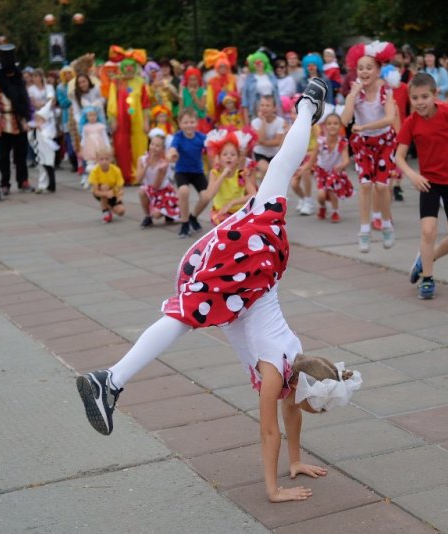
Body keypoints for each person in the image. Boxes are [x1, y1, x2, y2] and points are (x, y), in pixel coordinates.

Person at [76, 79, 363, 504]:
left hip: (255, 275)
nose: (311, 411)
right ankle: (109, 380)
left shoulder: (295, 369)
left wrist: (296, 460)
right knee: (185, 314)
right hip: (248, 281)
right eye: (316, 406)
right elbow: (270, 431)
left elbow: (290, 419)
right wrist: (274, 489)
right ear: (304, 390)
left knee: (279, 174)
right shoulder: (275, 375)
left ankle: (307, 106)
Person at [395, 73, 448, 299]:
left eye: (424, 97)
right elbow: (398, 156)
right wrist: (412, 175)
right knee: (428, 231)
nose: (420, 102)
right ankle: (428, 279)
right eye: (415, 98)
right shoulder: (411, 123)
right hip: (428, 183)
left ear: (435, 95)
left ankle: (425, 259)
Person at [341, 40, 398, 253]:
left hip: (384, 142)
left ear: (378, 70)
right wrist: (352, 97)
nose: (364, 71)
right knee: (365, 185)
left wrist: (364, 125)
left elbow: (390, 118)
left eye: (369, 68)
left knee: (382, 187)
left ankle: (386, 224)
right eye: (361, 68)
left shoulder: (386, 92)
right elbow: (346, 120)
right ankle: (364, 231)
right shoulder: (355, 94)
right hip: (363, 144)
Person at [107, 52, 151, 185]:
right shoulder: (117, 82)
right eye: (127, 68)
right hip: (121, 121)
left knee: (139, 147)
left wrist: (146, 121)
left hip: (137, 121)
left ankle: (139, 176)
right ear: (122, 69)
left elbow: (145, 104)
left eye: (132, 68)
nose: (129, 71)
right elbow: (111, 101)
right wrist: (112, 119)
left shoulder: (141, 83)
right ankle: (125, 176)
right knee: (121, 148)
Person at [0, 44, 33, 194]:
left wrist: (27, 118)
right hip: (4, 120)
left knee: (21, 154)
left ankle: (23, 180)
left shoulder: (19, 78)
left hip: (19, 119)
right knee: (4, 156)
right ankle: (5, 183)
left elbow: (25, 100)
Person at [200, 129, 257, 225]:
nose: (228, 157)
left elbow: (253, 194)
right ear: (219, 157)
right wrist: (222, 175)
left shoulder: (241, 173)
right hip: (220, 213)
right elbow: (210, 194)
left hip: (238, 213)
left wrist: (233, 202)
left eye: (233, 154)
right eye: (225, 154)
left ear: (238, 159)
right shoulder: (215, 173)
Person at [169, 107, 209, 238]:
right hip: (182, 172)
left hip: (197, 172)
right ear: (180, 124)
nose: (189, 125)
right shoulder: (178, 137)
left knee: (206, 197)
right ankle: (184, 223)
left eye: (192, 122)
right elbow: (172, 149)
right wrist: (173, 154)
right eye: (185, 122)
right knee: (184, 191)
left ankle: (193, 217)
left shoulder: (201, 137)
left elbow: (212, 146)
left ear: (196, 123)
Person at [136, 130, 179, 227]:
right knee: (141, 191)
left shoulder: (163, 163)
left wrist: (160, 171)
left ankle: (166, 211)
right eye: (152, 144)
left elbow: (156, 185)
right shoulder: (142, 159)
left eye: (157, 146)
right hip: (149, 190)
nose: (153, 148)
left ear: (163, 149)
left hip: (163, 191)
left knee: (156, 215)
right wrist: (146, 165)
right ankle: (147, 216)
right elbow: (138, 179)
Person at [314, 113, 352, 222]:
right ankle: (323, 207)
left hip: (335, 171)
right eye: (329, 123)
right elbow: (313, 159)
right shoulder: (320, 142)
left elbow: (346, 160)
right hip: (322, 172)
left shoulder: (343, 142)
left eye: (335, 123)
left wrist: (341, 165)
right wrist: (303, 169)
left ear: (340, 126)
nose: (332, 126)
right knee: (321, 195)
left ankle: (335, 211)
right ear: (324, 126)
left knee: (331, 189)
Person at [251, 95, 287, 184]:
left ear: (274, 108)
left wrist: (262, 142)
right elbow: (260, 139)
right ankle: (264, 193)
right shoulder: (255, 122)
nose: (264, 108)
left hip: (275, 154)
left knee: (276, 176)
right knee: (265, 169)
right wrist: (263, 121)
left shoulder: (280, 121)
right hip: (260, 153)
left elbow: (277, 142)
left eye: (267, 106)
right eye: (262, 105)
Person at [242, 51, 282, 123]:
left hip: (271, 107)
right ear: (252, 64)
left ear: (264, 62)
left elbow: (277, 96)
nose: (258, 64)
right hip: (256, 108)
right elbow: (245, 100)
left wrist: (279, 111)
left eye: (260, 62)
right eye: (255, 62)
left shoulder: (271, 76)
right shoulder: (249, 79)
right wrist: (246, 119)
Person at [89, 146, 126, 223]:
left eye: (107, 159)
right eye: (101, 159)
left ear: (111, 159)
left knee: (121, 212)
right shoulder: (95, 171)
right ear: (97, 160)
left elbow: (120, 186)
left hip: (113, 193)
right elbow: (95, 191)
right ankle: (105, 211)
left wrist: (118, 194)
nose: (104, 161)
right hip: (101, 193)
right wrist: (106, 193)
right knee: (105, 187)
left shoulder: (116, 170)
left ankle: (109, 206)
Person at [28, 103, 59, 194]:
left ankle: (51, 185)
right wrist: (30, 132)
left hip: (48, 152)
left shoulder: (49, 128)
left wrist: (41, 130)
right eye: (36, 119)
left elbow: (49, 137)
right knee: (41, 168)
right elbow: (32, 140)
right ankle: (42, 185)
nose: (37, 121)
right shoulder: (35, 129)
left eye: (39, 119)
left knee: (49, 168)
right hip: (40, 152)